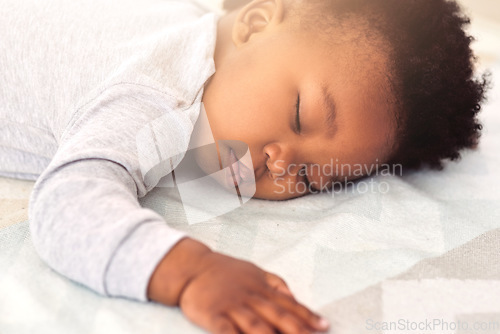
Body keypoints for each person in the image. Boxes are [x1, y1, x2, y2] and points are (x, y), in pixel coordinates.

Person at [0, 0, 488, 332]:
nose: (281, 164)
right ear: (254, 24)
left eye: (309, 179)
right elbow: (67, 203)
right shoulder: (153, 97)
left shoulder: (207, 33)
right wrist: (190, 272)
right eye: (301, 116)